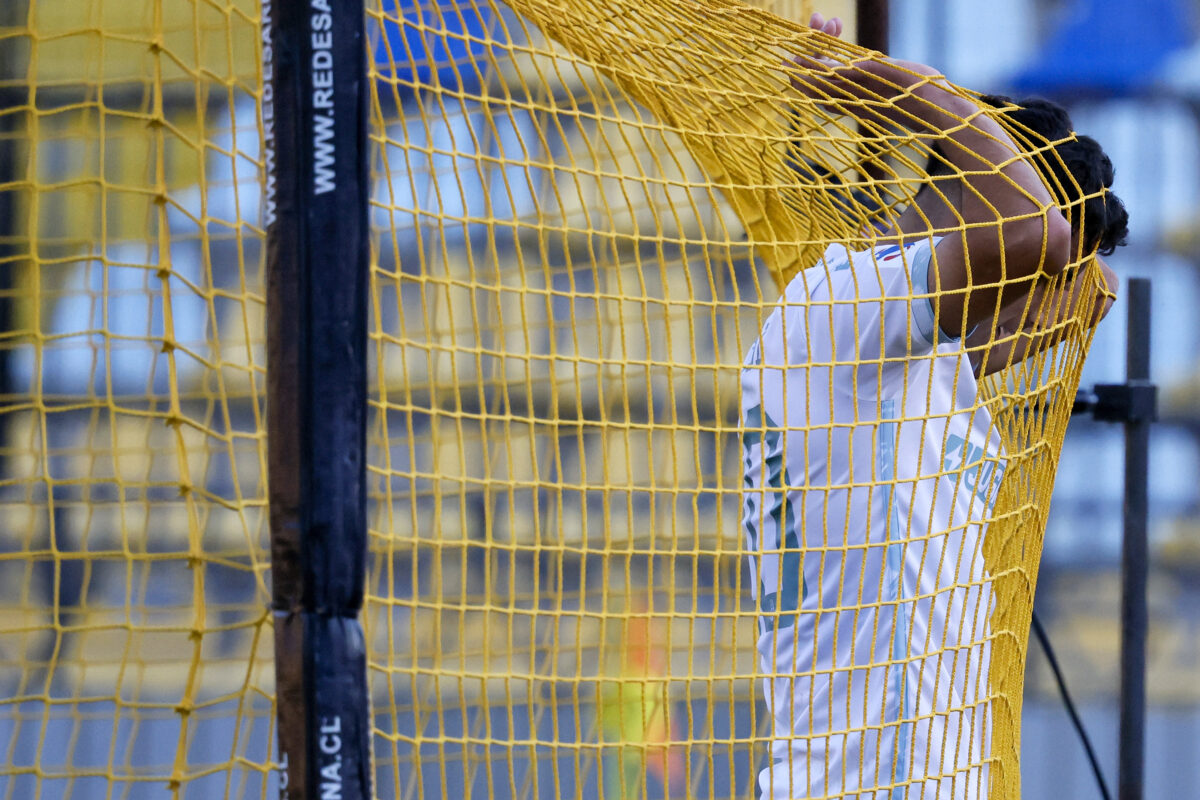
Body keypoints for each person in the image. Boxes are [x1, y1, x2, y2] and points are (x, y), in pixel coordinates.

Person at [741, 13, 1128, 800]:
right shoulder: (846, 301)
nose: (1040, 309)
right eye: (1037, 275)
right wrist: (921, 94)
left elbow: (1088, 291)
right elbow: (1026, 237)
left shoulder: (908, 355)